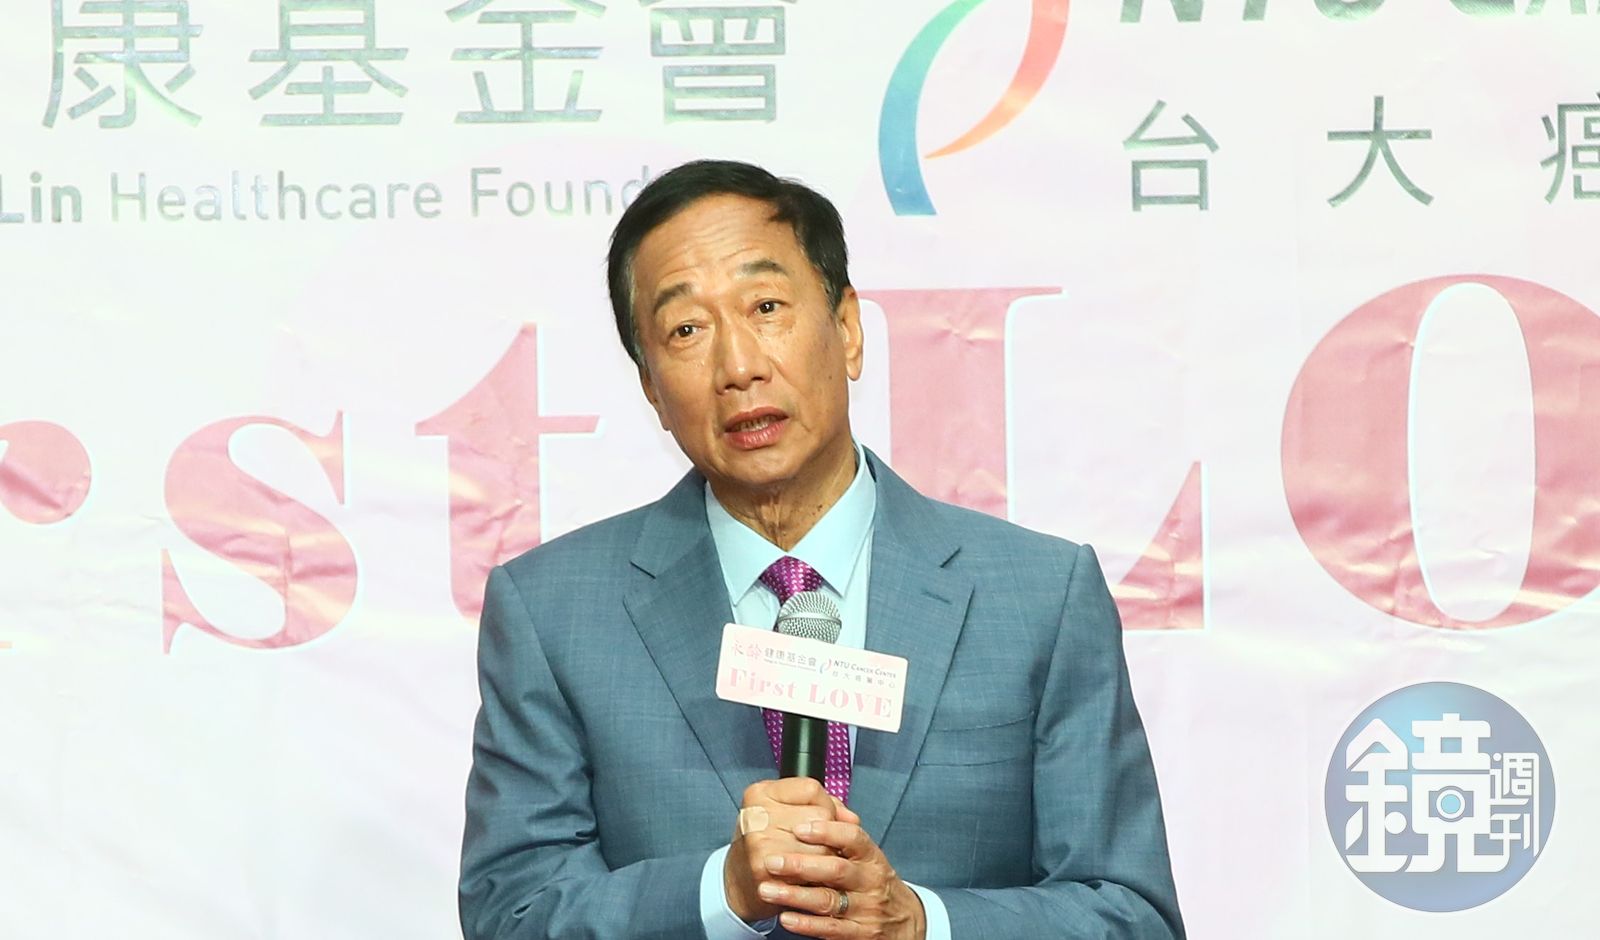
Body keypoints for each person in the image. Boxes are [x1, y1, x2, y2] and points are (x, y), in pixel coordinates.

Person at [459, 159, 1184, 939]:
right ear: (651, 390)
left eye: (766, 307)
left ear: (847, 331)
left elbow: (1130, 916)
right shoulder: (553, 615)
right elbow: (513, 913)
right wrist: (722, 891)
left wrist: (921, 925)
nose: (739, 367)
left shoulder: (1041, 597)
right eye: (687, 330)